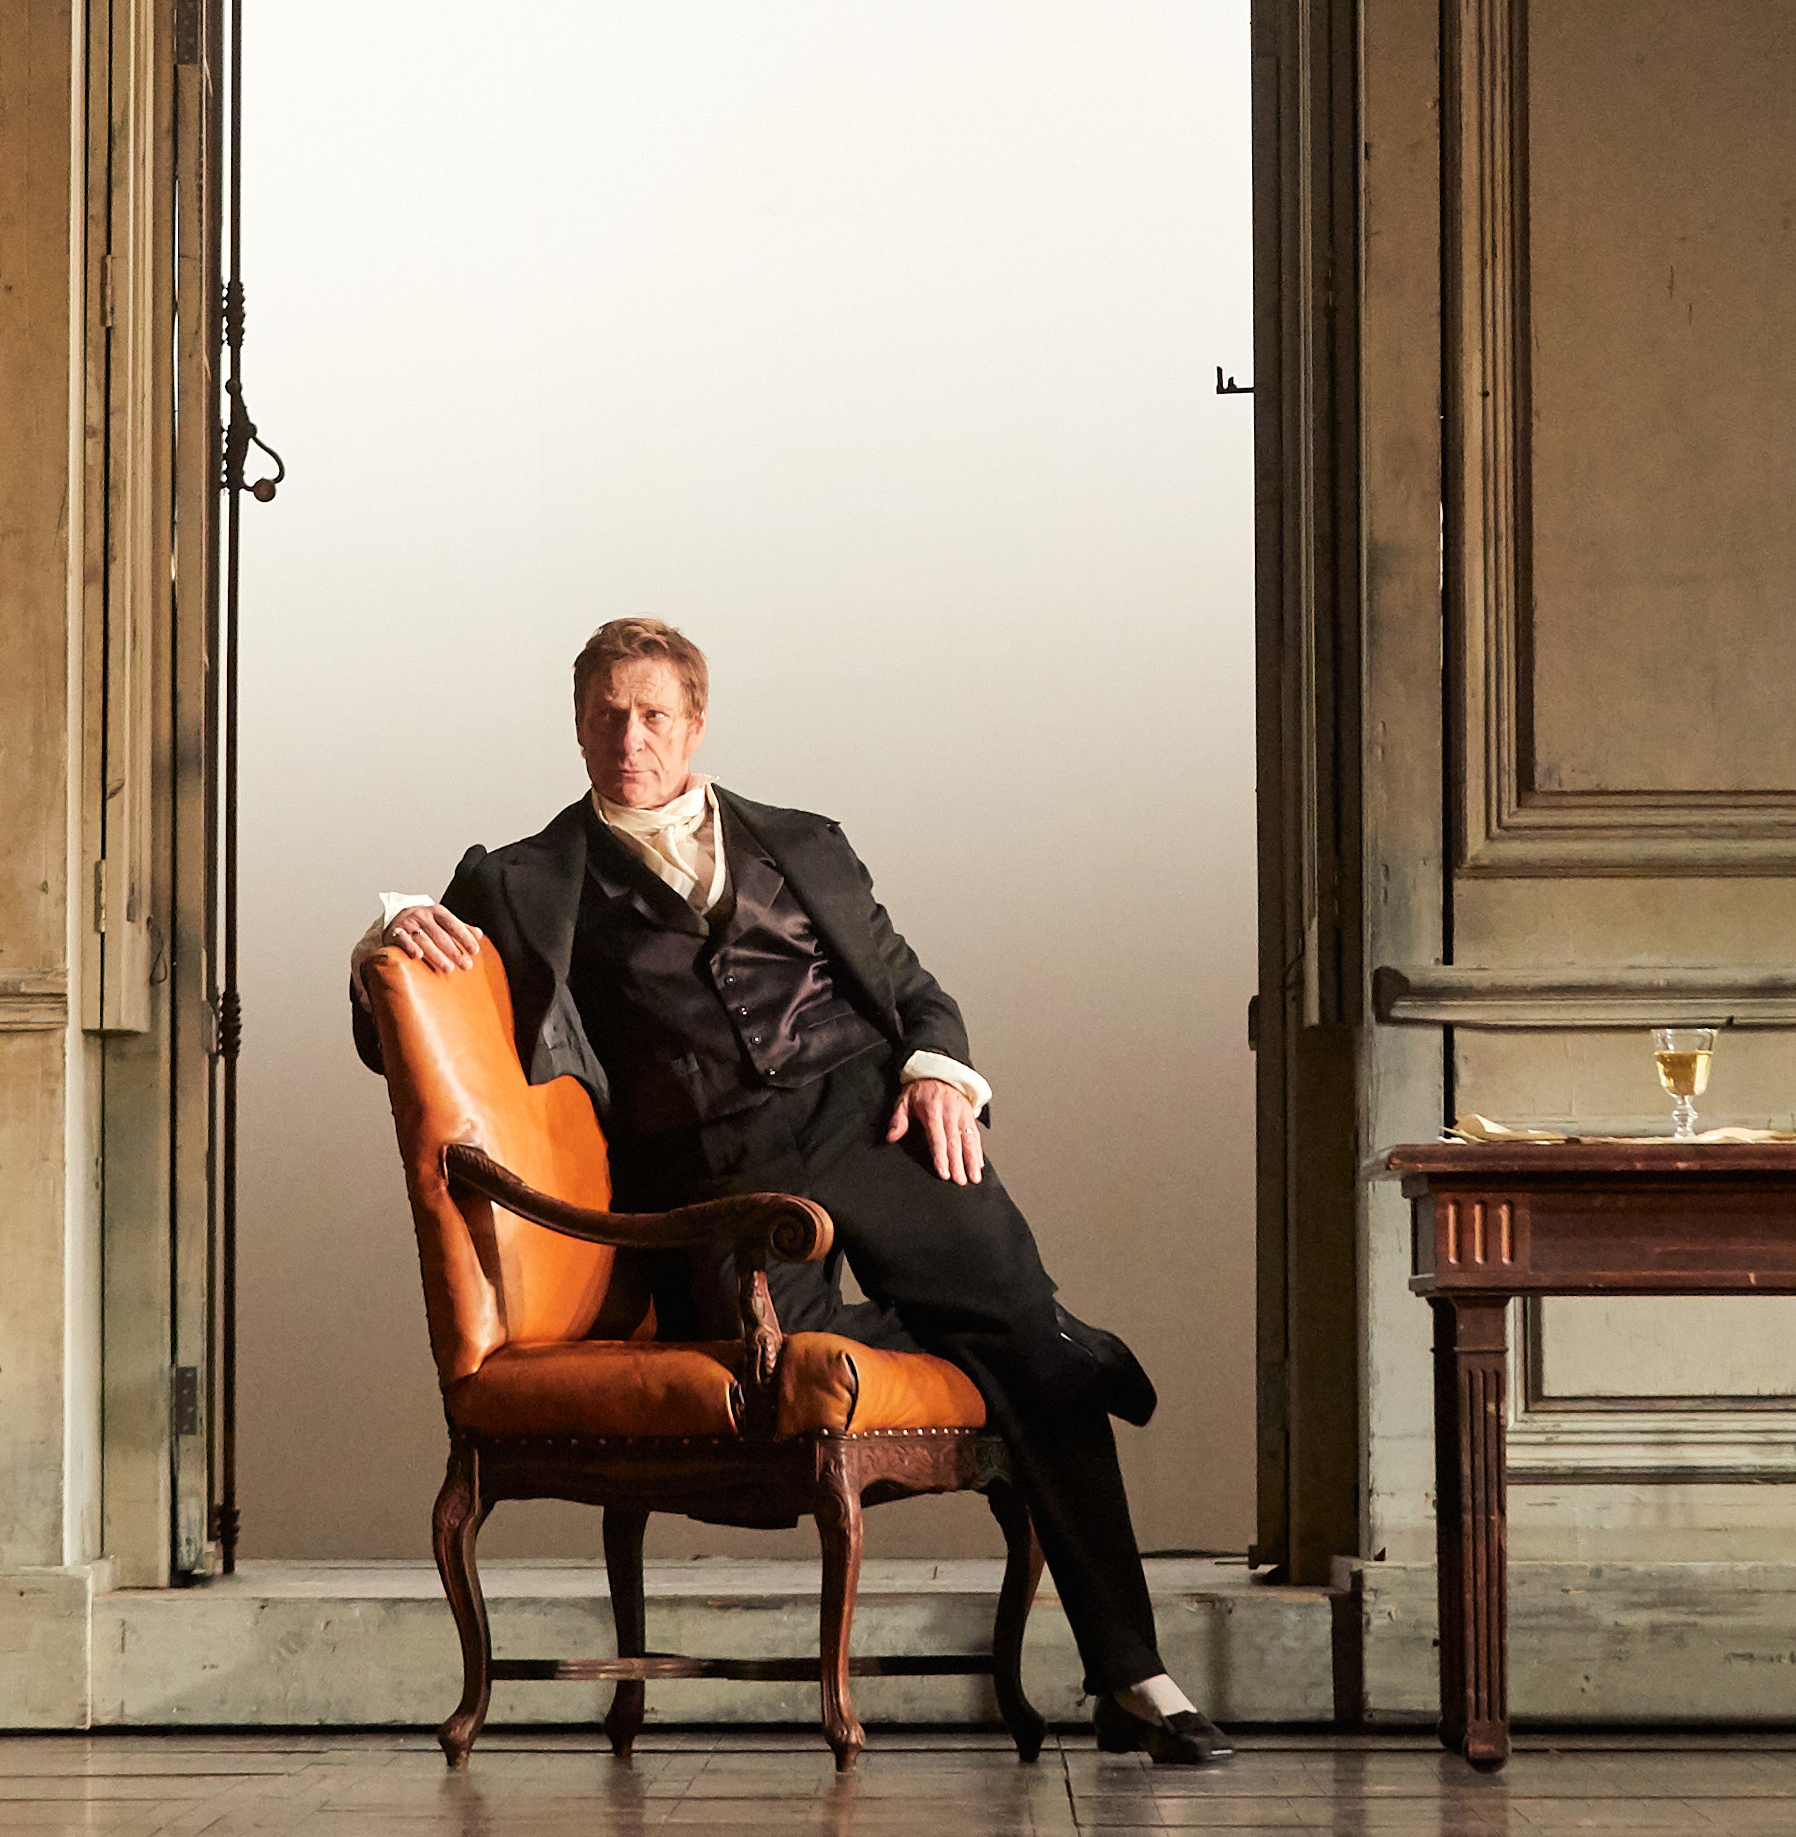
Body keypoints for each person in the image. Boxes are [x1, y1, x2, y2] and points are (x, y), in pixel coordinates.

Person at [349, 615, 1232, 1766]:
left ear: (695, 723)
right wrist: (382, 936)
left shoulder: (805, 841)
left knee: (1024, 1345)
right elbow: (391, 1038)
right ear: (575, 725)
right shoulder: (519, 879)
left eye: (652, 714)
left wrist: (938, 1071)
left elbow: (912, 989)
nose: (629, 737)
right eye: (606, 716)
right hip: (713, 1175)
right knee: (955, 1351)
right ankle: (1060, 1338)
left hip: (869, 1121)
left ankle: (1133, 1678)